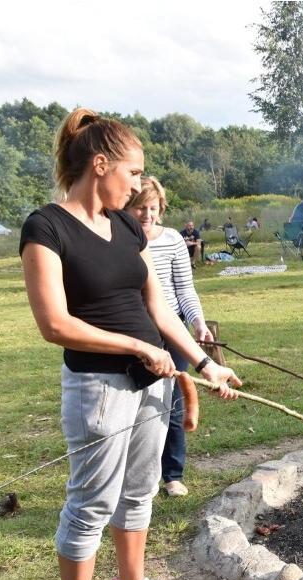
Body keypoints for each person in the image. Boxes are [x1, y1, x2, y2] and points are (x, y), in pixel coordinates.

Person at [19, 107, 241, 580]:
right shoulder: (45, 227)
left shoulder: (124, 224)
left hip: (153, 383)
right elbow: (55, 324)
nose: (139, 184)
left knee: (139, 491)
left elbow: (156, 306)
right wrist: (137, 348)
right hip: (99, 385)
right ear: (100, 164)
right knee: (91, 501)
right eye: (133, 172)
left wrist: (202, 362)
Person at [125, 178, 213, 498]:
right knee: (135, 403)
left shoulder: (174, 239)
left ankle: (172, 475)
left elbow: (184, 289)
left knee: (173, 403)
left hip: (172, 327)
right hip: (133, 330)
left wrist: (198, 323)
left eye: (153, 208)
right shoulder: (119, 238)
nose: (147, 214)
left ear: (161, 209)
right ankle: (135, 474)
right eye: (139, 207)